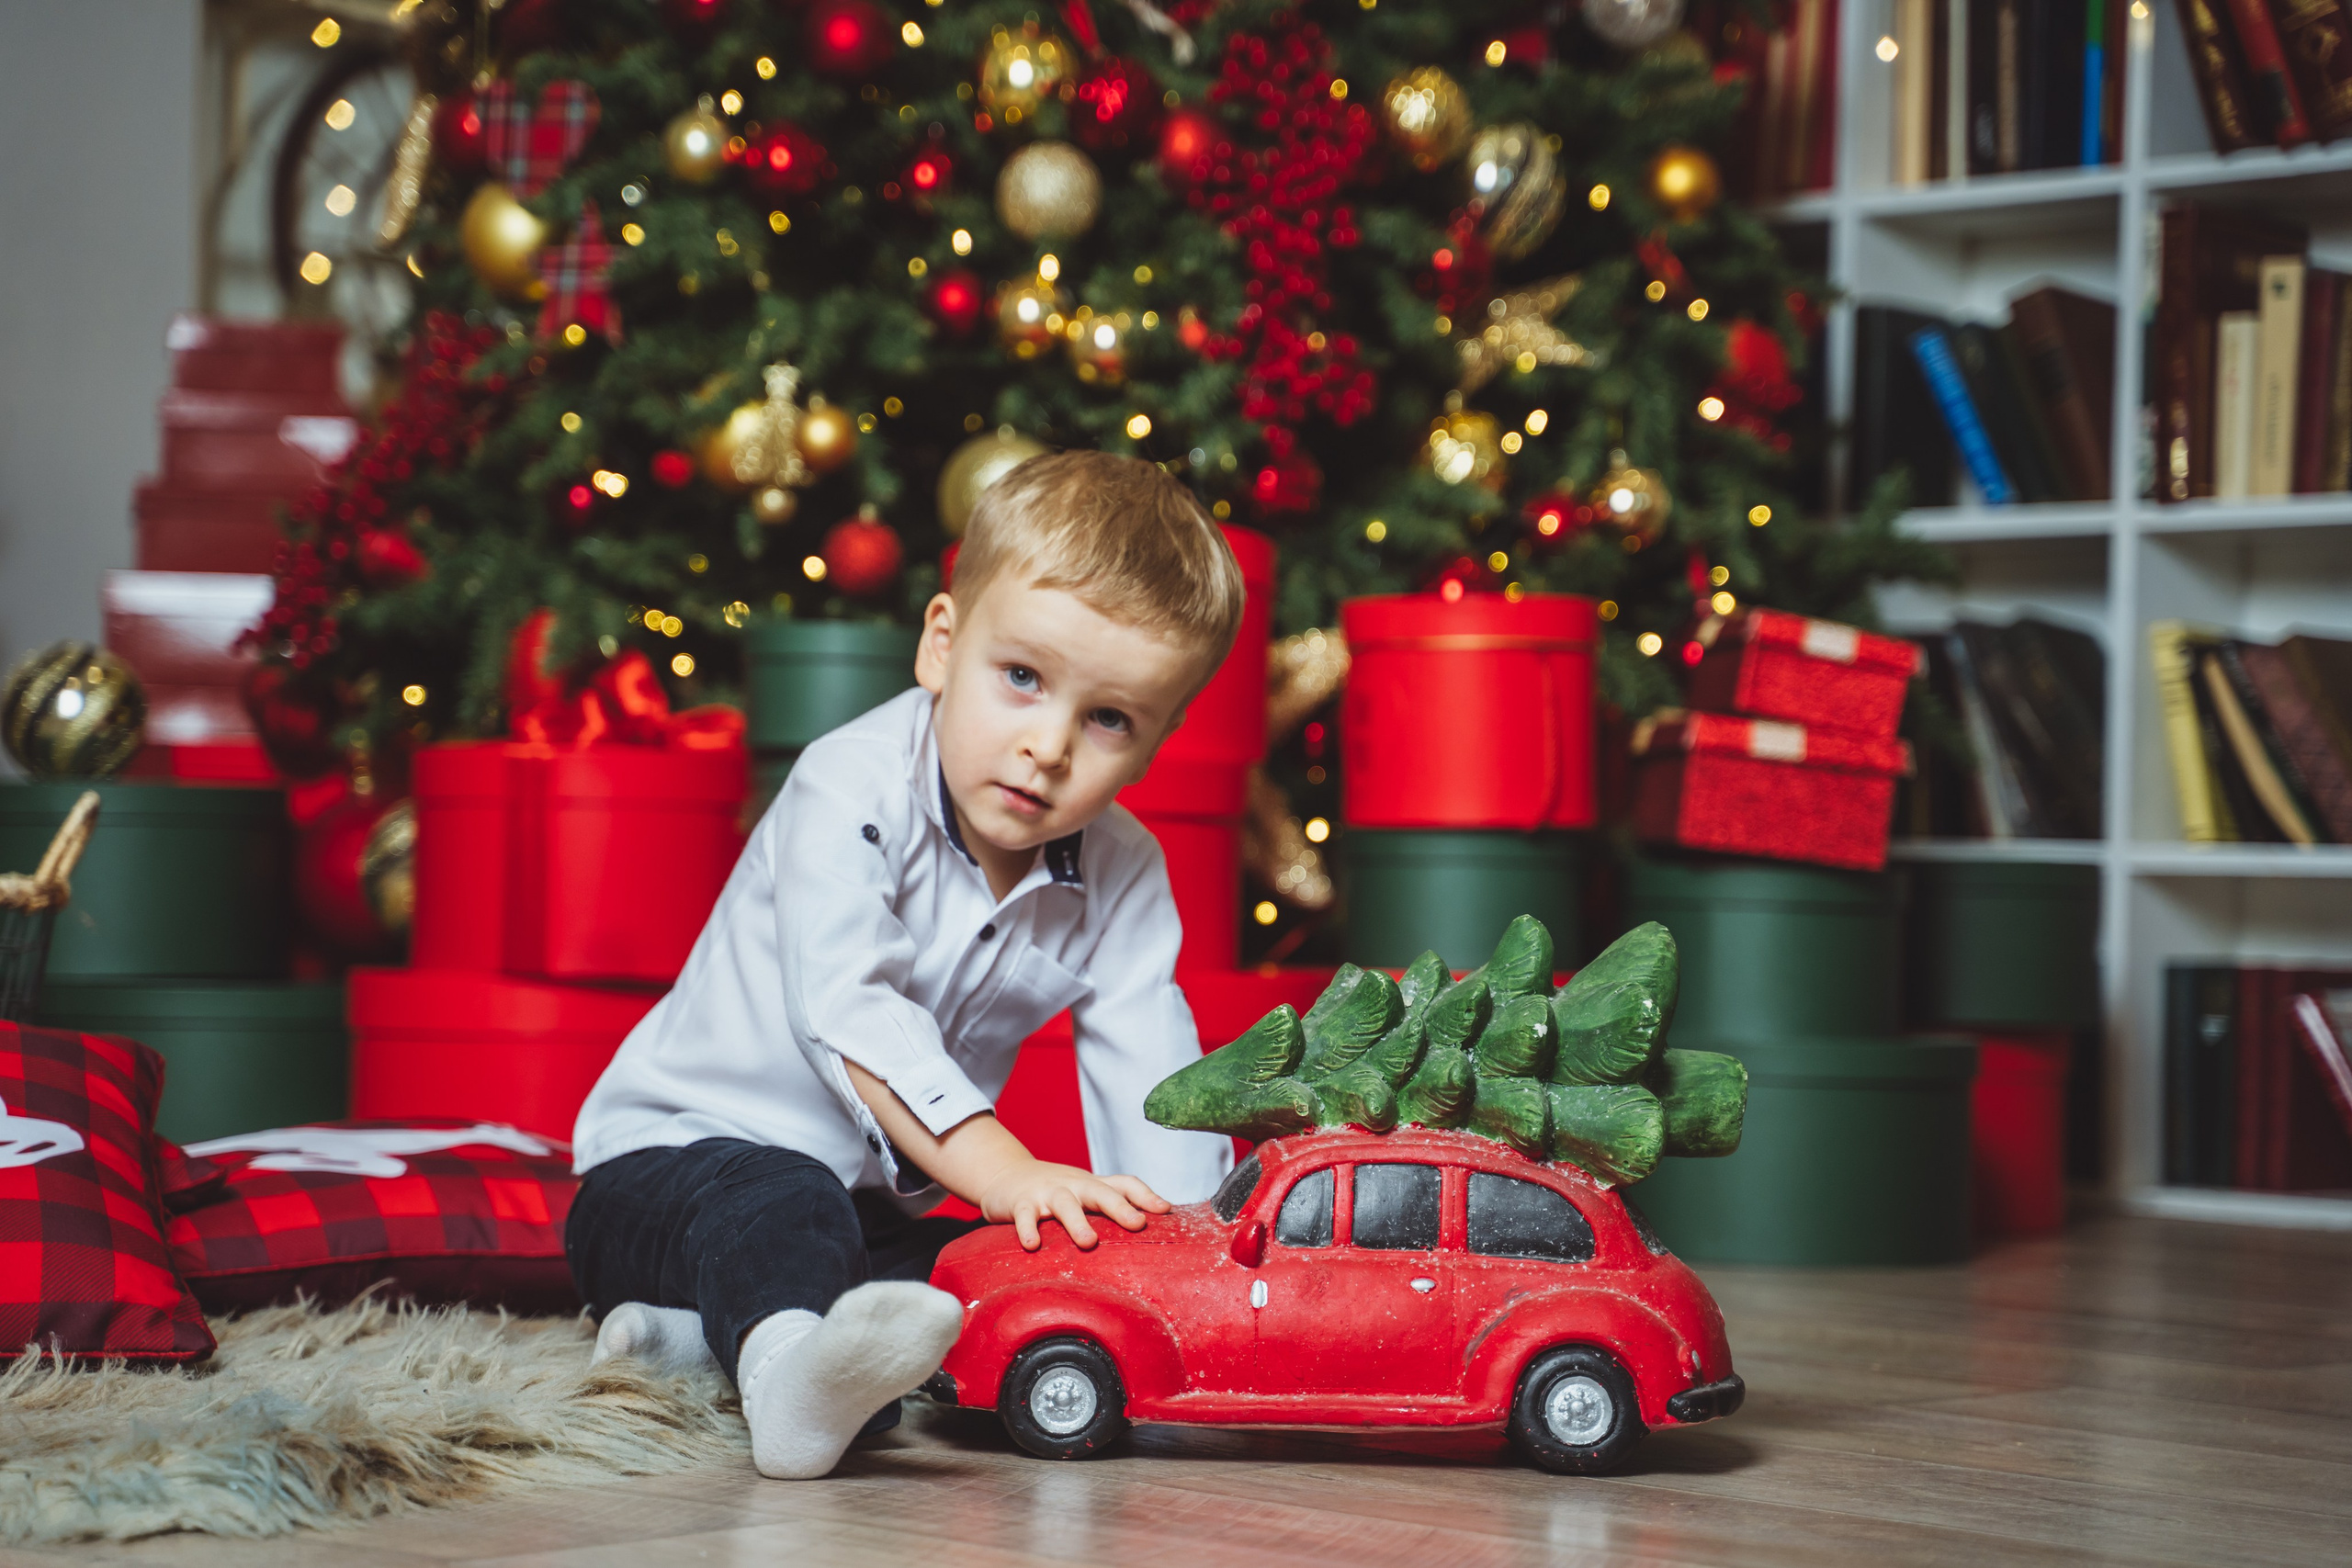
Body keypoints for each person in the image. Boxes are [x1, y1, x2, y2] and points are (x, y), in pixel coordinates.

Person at [565, 450, 1243, 1479]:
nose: (1049, 745)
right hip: (664, 1172)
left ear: (1154, 743)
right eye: (1022, 678)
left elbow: (1151, 1066)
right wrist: (1003, 1170)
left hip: (863, 1213)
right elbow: (851, 1009)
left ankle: (691, 1343)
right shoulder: (847, 784)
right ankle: (788, 1383)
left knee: (992, 1269)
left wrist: (1192, 1260)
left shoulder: (1124, 871)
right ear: (942, 644)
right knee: (784, 1199)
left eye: (1108, 719)